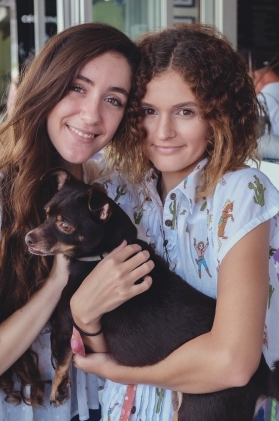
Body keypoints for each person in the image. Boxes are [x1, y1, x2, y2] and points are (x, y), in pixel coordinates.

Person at [0, 22, 154, 421]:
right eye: (78, 87)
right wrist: (58, 279)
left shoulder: (103, 188)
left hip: (88, 404)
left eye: (113, 99)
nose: (92, 115)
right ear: (48, 85)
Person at [70, 24, 279, 421]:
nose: (163, 132)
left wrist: (119, 370)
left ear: (219, 116)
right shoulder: (116, 192)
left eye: (186, 111)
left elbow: (232, 362)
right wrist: (84, 317)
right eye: (149, 111)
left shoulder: (240, 194)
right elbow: (103, 339)